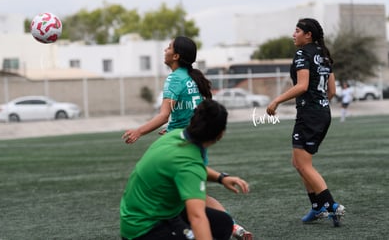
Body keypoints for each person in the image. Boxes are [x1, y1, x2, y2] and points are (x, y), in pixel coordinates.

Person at [122, 36, 252, 239]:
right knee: (193, 191)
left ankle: (185, 228)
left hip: (184, 142)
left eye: (169, 47)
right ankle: (232, 226)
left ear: (175, 56)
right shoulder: (193, 77)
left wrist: (139, 131)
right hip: (194, 139)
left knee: (190, 196)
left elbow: (164, 115)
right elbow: (196, 111)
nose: (164, 49)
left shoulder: (175, 78)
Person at [120, 99, 250, 240]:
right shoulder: (189, 164)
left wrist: (221, 178)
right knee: (201, 227)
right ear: (220, 134)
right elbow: (197, 218)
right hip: (144, 229)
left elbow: (187, 167)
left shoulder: (175, 135)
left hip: (154, 214)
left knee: (222, 223)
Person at [266, 18, 345, 227]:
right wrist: (318, 106)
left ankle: (331, 206)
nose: (294, 34)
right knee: (298, 163)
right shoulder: (324, 54)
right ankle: (317, 207)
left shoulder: (303, 53)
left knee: (303, 164)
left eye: (297, 30)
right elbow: (332, 91)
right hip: (322, 112)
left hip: (309, 114)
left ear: (308, 34)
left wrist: (276, 100)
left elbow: (302, 86)